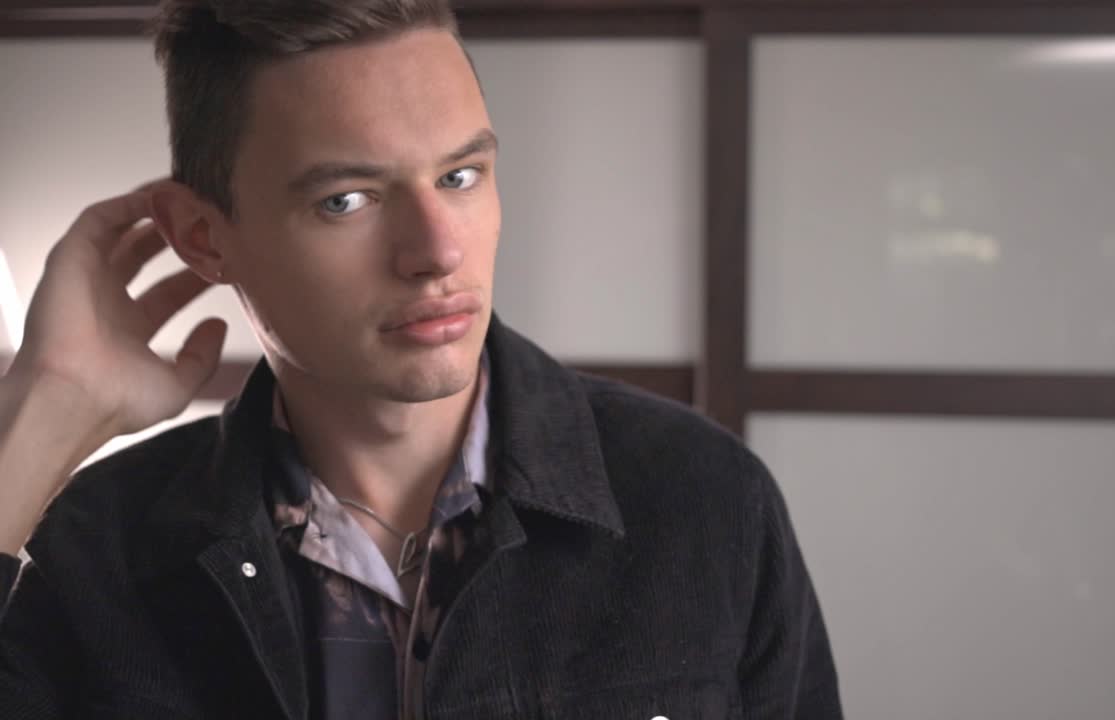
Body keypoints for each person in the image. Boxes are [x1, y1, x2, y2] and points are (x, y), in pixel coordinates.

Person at [0, 1, 842, 718]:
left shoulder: (702, 497)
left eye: (461, 177)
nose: (437, 251)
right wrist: (43, 414)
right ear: (203, 237)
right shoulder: (98, 549)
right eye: (347, 200)